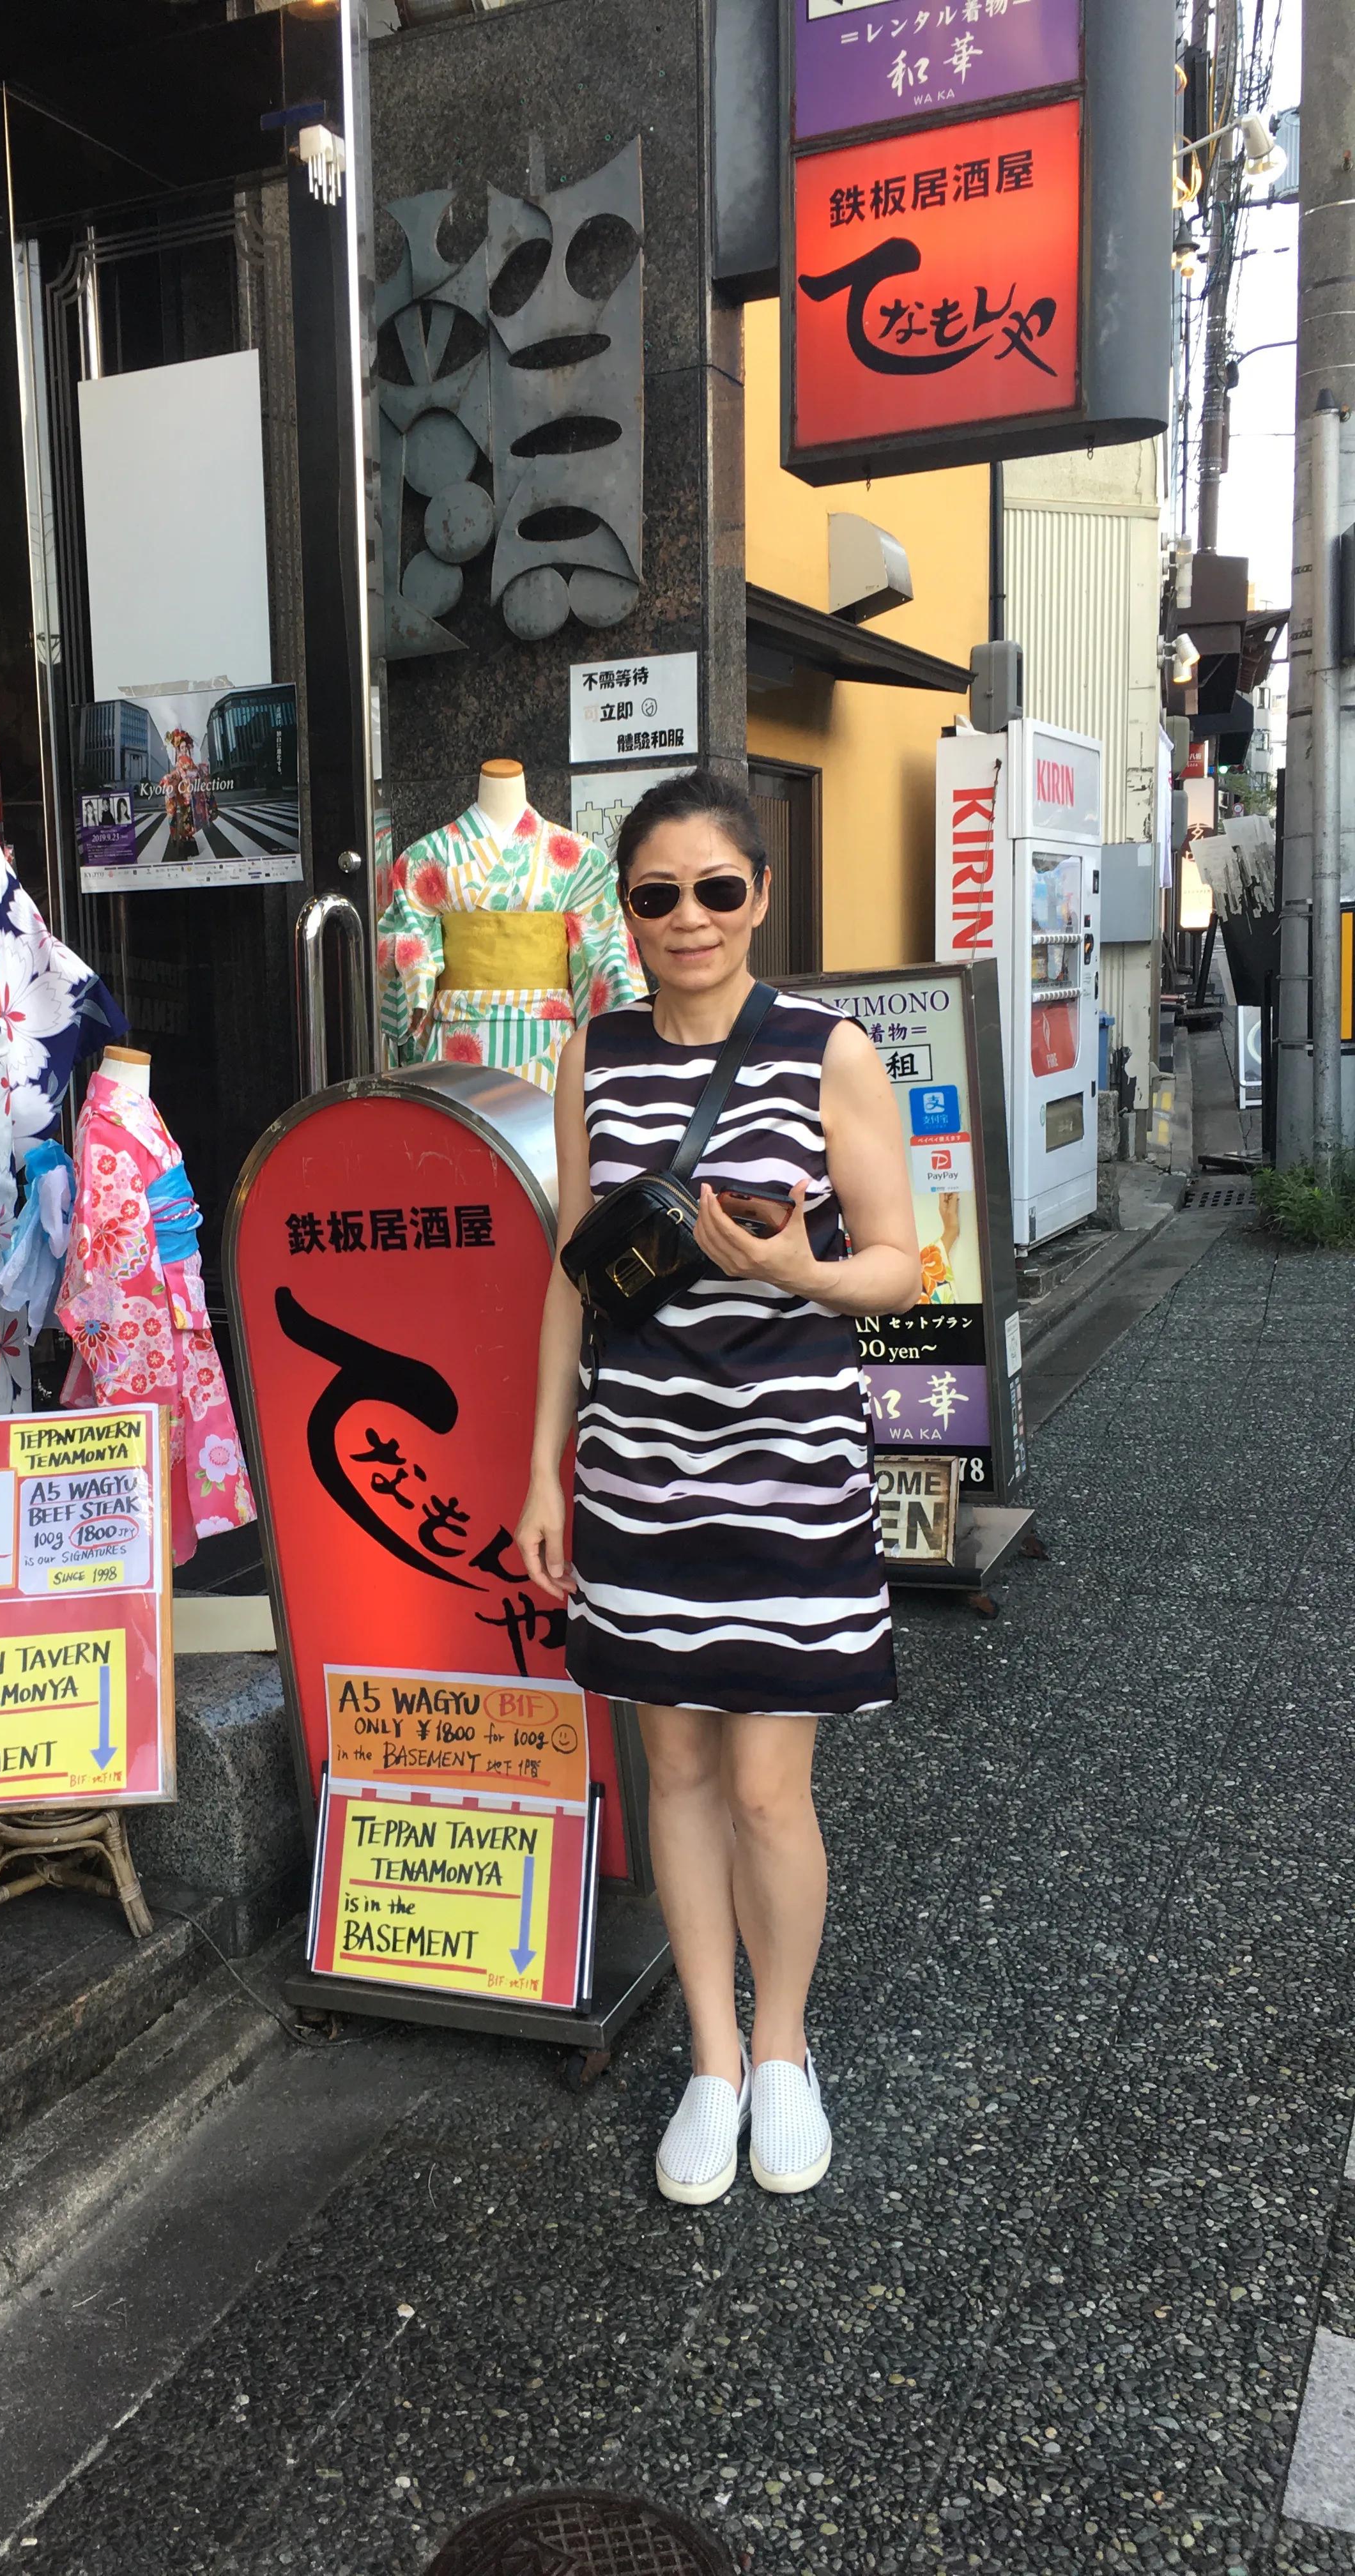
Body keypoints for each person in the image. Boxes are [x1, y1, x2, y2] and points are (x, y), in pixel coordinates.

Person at [517, 769, 917, 2205]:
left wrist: (799, 1270)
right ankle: (711, 2058)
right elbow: (575, 1279)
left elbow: (898, 1259)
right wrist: (541, 1473)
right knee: (674, 1767)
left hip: (788, 1465)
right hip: (640, 1470)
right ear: (625, 911)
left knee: (764, 1788)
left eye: (716, 890)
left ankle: (789, 2047)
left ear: (761, 896)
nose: (688, 918)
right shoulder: (594, 1055)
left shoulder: (829, 1051)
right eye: (656, 895)